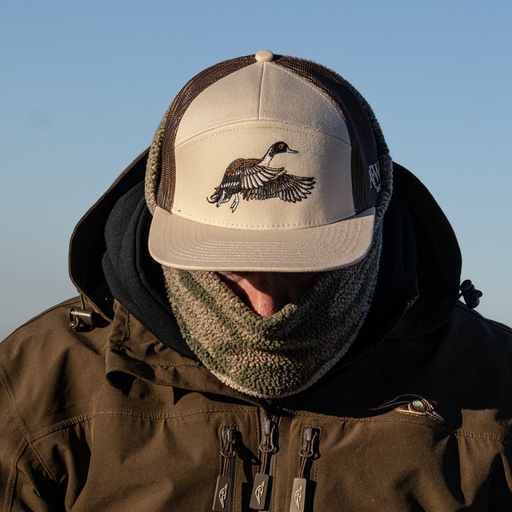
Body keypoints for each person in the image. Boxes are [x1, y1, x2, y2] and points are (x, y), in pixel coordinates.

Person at [1, 50, 511, 512]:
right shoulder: (36, 386)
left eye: (304, 268)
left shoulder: (496, 386)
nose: (266, 310)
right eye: (229, 267)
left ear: (373, 225)